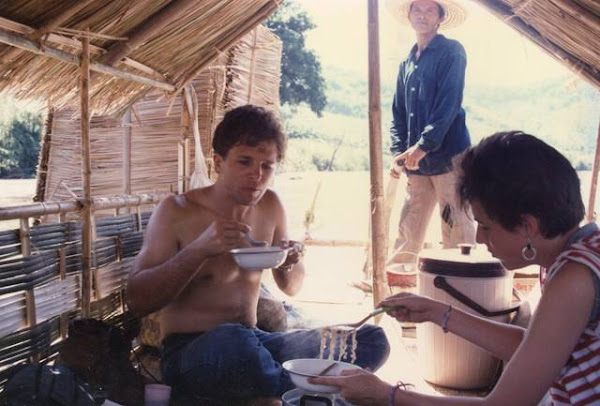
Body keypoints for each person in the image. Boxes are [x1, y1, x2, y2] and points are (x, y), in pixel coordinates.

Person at [311, 131, 600, 405]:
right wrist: (437, 312)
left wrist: (387, 397)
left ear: (528, 226)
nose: (479, 238)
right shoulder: (576, 254)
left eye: (485, 226)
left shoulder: (575, 276)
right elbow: (535, 349)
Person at [127, 105, 390, 405]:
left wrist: (292, 260)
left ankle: (287, 385)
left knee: (370, 340)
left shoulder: (271, 207)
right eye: (245, 162)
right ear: (218, 162)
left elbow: (291, 287)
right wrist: (198, 251)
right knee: (234, 340)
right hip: (192, 353)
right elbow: (138, 299)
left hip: (257, 345)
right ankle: (307, 390)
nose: (257, 175)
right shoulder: (177, 211)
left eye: (267, 166)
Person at [386, 0, 476, 271]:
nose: (422, 16)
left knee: (455, 225)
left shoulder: (452, 52)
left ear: (440, 18)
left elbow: (448, 105)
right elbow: (398, 112)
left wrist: (424, 145)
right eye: (417, 9)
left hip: (449, 157)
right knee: (409, 225)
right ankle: (397, 280)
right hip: (416, 162)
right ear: (409, 15)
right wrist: (398, 152)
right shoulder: (407, 62)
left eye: (429, 10)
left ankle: (463, 281)